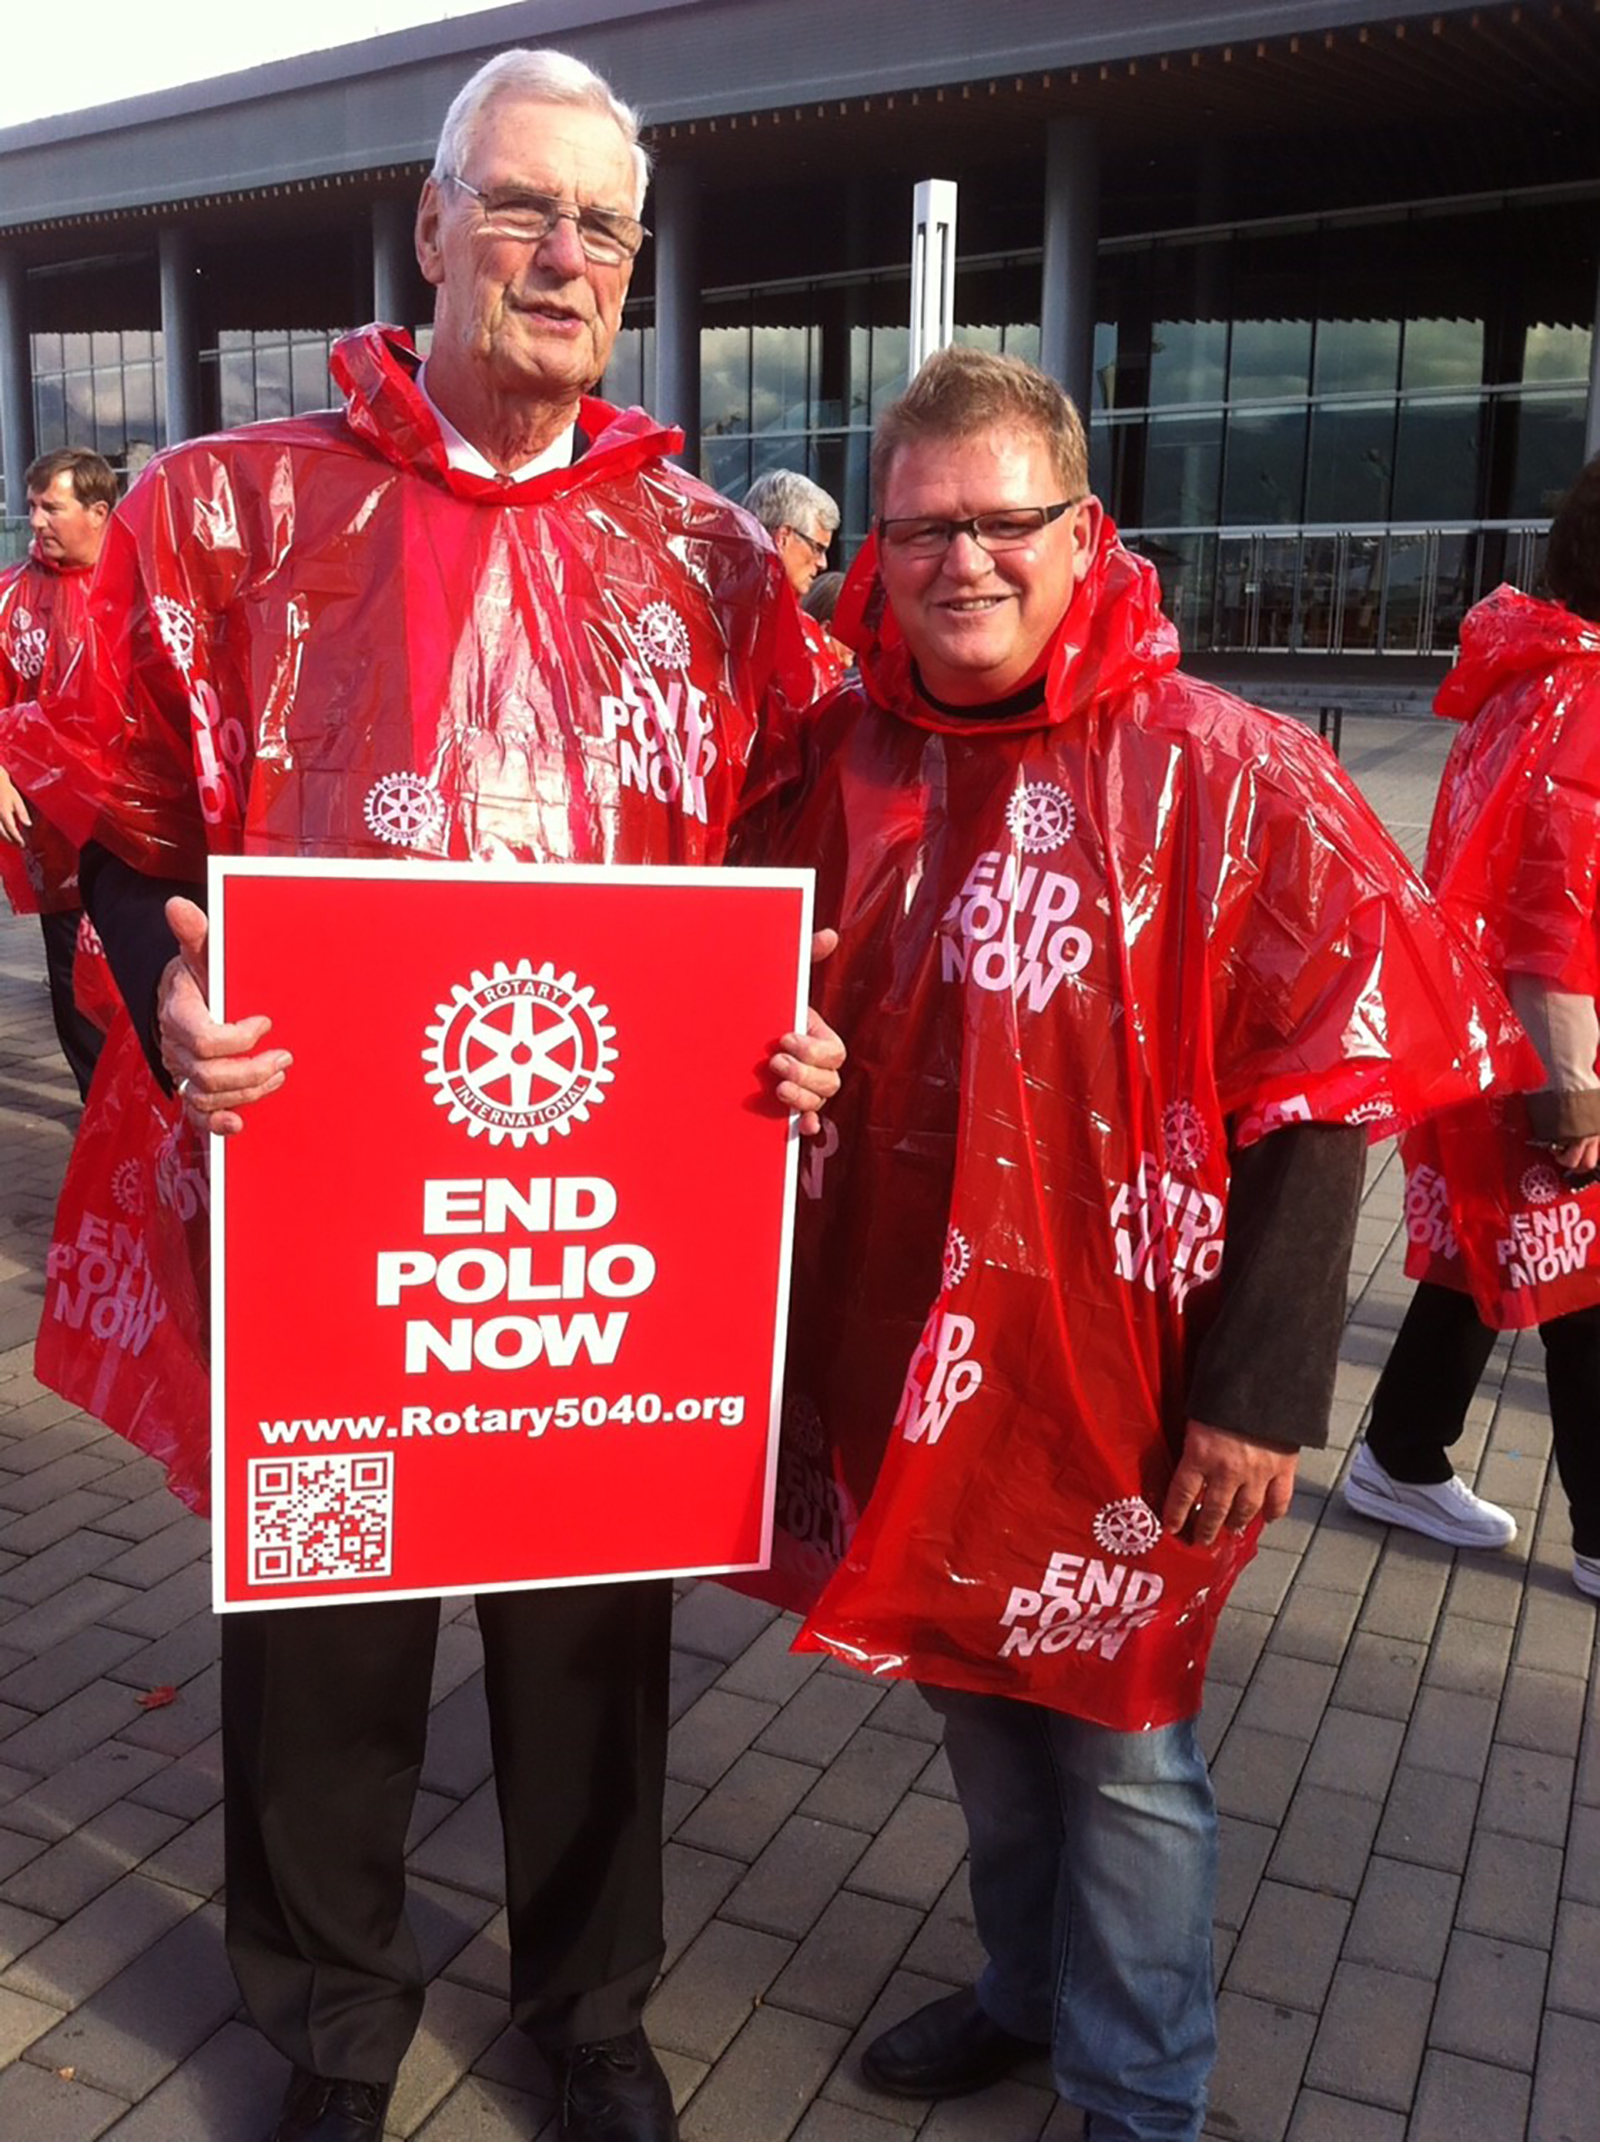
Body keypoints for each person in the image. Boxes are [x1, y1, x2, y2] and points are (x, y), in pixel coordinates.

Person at [0, 48, 841, 2142]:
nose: (565, 257)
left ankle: (590, 2013)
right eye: (526, 209)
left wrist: (808, 1025)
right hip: (326, 1218)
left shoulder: (713, 560)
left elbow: (800, 856)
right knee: (327, 1642)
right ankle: (335, 2025)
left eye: (604, 229)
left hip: (600, 1240)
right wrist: (157, 996)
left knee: (589, 1653)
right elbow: (107, 817)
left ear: (632, 273)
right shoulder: (223, 513)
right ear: (432, 226)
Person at [746, 348, 1532, 2142]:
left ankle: (1142, 2094)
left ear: (1086, 531)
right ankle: (1027, 1995)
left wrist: (1259, 1395)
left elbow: (1329, 1088)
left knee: (1123, 1750)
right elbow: (729, 988)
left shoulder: (1230, 769)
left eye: (1003, 519)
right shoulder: (843, 761)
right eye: (923, 524)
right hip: (910, 1343)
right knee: (972, 1705)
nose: (961, 559)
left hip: (1132, 1372)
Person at [1344, 454, 1600, 1598]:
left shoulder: (1531, 676)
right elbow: (1558, 907)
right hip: (1544, 1045)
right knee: (1584, 1289)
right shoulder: (1587, 694)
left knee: (1484, 1264)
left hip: (1483, 1031)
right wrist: (1575, 1088)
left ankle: (1399, 1454)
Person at [0, 448, 116, 1098]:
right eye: (34, 504)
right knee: (72, 970)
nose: (36, 518)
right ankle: (97, 1107)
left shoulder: (145, 581)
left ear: (98, 512)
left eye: (53, 505)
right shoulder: (10, 597)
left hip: (140, 823)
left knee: (146, 958)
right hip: (53, 828)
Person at [742, 468, 844, 685]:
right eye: (817, 548)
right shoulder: (785, 630)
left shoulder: (713, 594)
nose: (822, 563)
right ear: (783, 538)